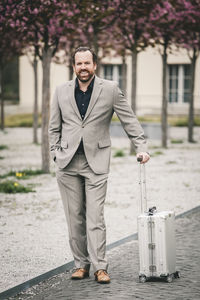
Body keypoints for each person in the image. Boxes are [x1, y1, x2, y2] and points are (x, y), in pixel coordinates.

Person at [48, 46, 150, 284]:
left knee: (95, 217)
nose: (83, 67)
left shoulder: (110, 89)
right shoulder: (61, 91)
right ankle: (80, 265)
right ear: (74, 66)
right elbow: (54, 126)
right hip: (67, 163)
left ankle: (100, 267)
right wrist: (55, 153)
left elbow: (129, 120)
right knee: (75, 217)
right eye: (79, 63)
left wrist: (141, 147)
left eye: (87, 63)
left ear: (95, 65)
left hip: (96, 162)